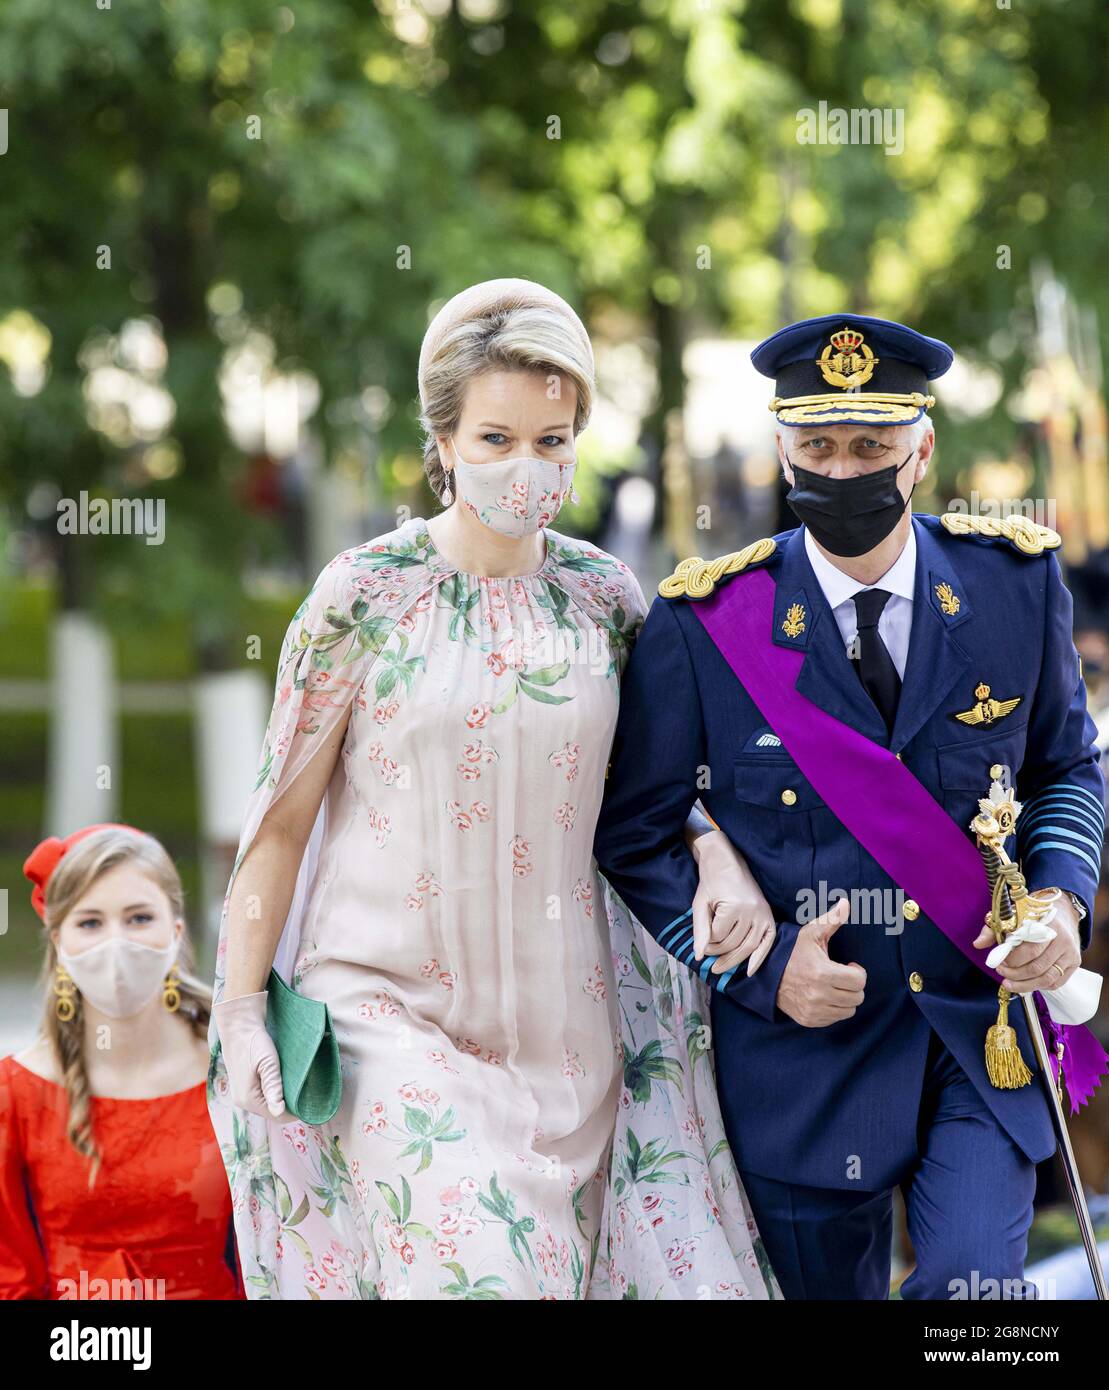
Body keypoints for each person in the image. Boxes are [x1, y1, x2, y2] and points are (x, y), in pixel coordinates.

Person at [207, 278, 780, 1300]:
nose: (528, 468)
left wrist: (714, 848)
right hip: (386, 1018)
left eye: (553, 442)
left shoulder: (605, 595)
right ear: (443, 442)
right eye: (496, 439)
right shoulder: (364, 594)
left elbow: (652, 790)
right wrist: (244, 1007)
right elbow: (280, 820)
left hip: (571, 1043)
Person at [594, 313, 1106, 1300]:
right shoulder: (704, 625)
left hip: (974, 1029)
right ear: (780, 447)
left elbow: (1064, 768)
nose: (840, 470)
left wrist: (1058, 901)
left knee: (975, 1300)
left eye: (868, 446)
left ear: (919, 448)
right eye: (815, 446)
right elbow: (633, 830)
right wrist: (757, 966)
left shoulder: (1013, 583)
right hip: (801, 1058)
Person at [1, 824, 242, 1300]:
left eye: (138, 918)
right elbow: (10, 1278)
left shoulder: (232, 1070)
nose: (117, 942)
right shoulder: (17, 1091)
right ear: (58, 941)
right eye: (90, 922)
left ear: (175, 930)